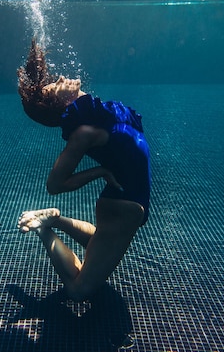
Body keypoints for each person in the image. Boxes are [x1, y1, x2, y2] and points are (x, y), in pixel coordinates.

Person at [16, 39, 151, 302]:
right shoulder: (84, 132)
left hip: (126, 202)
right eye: (54, 87)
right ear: (60, 103)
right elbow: (54, 185)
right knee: (79, 291)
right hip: (123, 207)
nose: (62, 78)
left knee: (98, 242)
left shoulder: (99, 114)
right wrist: (99, 171)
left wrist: (104, 171)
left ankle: (53, 219)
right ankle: (44, 228)